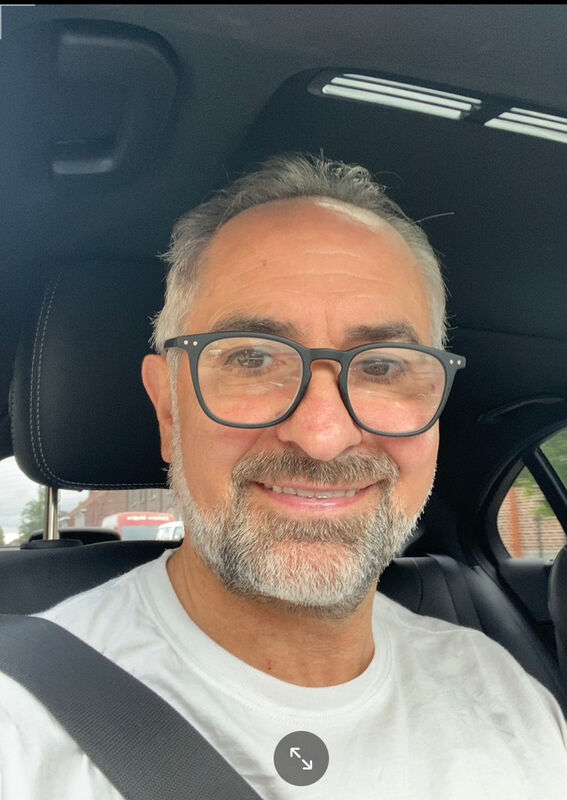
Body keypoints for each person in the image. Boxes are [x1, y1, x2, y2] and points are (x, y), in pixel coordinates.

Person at [1, 153, 566, 798]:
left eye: (381, 367)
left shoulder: (505, 692)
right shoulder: (20, 726)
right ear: (167, 408)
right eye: (251, 358)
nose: (323, 437)